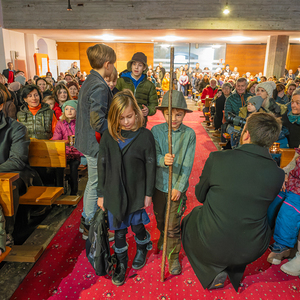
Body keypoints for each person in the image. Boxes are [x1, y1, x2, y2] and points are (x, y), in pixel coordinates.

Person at [182, 112, 284, 291]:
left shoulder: (219, 158)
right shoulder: (278, 174)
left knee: (191, 218)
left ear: (246, 134)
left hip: (212, 240)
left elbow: (200, 196)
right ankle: (233, 269)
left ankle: (210, 270)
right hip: (252, 246)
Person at [97, 90, 156, 286]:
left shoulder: (145, 136)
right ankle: (121, 264)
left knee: (138, 226)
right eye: (121, 118)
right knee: (119, 232)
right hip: (114, 193)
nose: (126, 122)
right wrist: (101, 194)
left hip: (136, 192)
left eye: (129, 116)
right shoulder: (108, 137)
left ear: (137, 113)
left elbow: (150, 164)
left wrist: (148, 193)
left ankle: (142, 246)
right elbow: (102, 166)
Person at [151, 90, 196, 275]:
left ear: (184, 114)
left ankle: (173, 255)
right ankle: (162, 234)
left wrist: (179, 185)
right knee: (161, 218)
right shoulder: (156, 131)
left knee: (173, 225)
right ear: (164, 113)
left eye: (179, 114)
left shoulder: (189, 134)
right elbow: (153, 155)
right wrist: (163, 160)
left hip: (176, 187)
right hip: (159, 184)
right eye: (170, 114)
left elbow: (188, 163)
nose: (175, 118)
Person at [75, 43, 116, 240]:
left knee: (93, 182)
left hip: (86, 140)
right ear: (107, 64)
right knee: (95, 183)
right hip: (94, 143)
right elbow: (97, 121)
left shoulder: (90, 79)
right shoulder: (99, 85)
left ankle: (88, 221)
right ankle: (90, 225)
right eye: (113, 64)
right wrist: (118, 128)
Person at [116, 52, 158, 126]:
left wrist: (148, 110)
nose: (136, 67)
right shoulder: (121, 81)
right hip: (123, 120)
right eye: (134, 64)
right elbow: (114, 100)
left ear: (144, 68)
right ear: (131, 65)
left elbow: (154, 105)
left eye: (140, 65)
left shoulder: (149, 85)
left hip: (140, 121)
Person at [52, 100, 82, 195]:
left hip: (76, 153)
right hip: (64, 152)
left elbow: (83, 138)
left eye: (72, 109)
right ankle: (59, 191)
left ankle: (74, 192)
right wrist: (63, 144)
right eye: (67, 109)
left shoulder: (80, 123)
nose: (69, 111)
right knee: (58, 168)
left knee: (74, 168)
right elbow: (56, 138)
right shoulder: (60, 123)